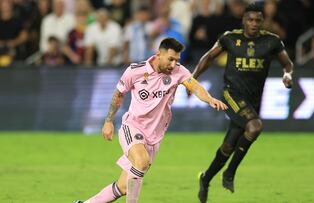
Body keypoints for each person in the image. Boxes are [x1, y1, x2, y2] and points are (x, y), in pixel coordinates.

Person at [74, 37, 228, 203]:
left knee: (124, 186)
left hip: (154, 137)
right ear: (158, 55)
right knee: (141, 161)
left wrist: (210, 98)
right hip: (132, 127)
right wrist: (108, 121)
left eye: (177, 60)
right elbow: (119, 95)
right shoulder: (135, 71)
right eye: (170, 59)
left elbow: (195, 86)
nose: (173, 64)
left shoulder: (179, 71)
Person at [191, 4, 294, 203]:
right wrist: (193, 78)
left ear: (262, 21)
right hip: (232, 93)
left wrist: (287, 75)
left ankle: (206, 178)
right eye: (250, 20)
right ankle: (230, 172)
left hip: (253, 100)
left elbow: (287, 63)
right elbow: (209, 57)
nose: (254, 24)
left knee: (228, 146)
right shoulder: (230, 38)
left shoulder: (271, 42)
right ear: (243, 20)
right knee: (255, 127)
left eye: (258, 20)